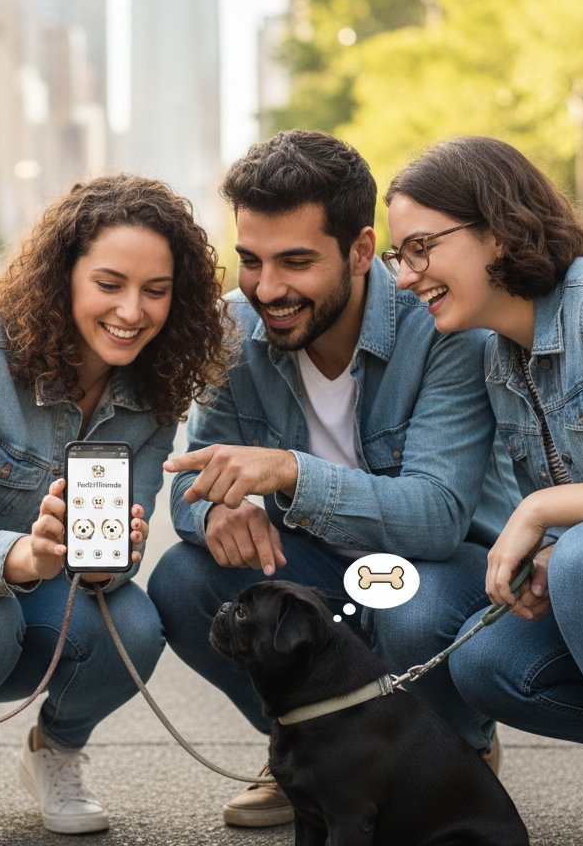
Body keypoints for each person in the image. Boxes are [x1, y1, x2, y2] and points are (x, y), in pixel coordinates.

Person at [147, 129, 517, 829]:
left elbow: (438, 516)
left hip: (435, 570)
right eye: (250, 261)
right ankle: (306, 751)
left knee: (410, 608)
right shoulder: (232, 329)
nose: (267, 288)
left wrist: (289, 472)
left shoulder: (442, 326)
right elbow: (191, 481)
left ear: (360, 250)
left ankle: (449, 752)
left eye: (296, 261)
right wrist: (216, 512)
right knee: (183, 580)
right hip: (314, 576)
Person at [0, 174, 231, 845]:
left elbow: (118, 552)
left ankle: (56, 752)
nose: (132, 310)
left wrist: (107, 566)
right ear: (62, 275)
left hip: (41, 597)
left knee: (136, 627)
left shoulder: (156, 386)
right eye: (110, 283)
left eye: (156, 291)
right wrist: (21, 555)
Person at [386, 135, 583, 846]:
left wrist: (545, 514)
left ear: (499, 229)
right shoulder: (503, 359)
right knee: (490, 664)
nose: (406, 277)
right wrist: (553, 549)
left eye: (421, 249)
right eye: (397, 257)